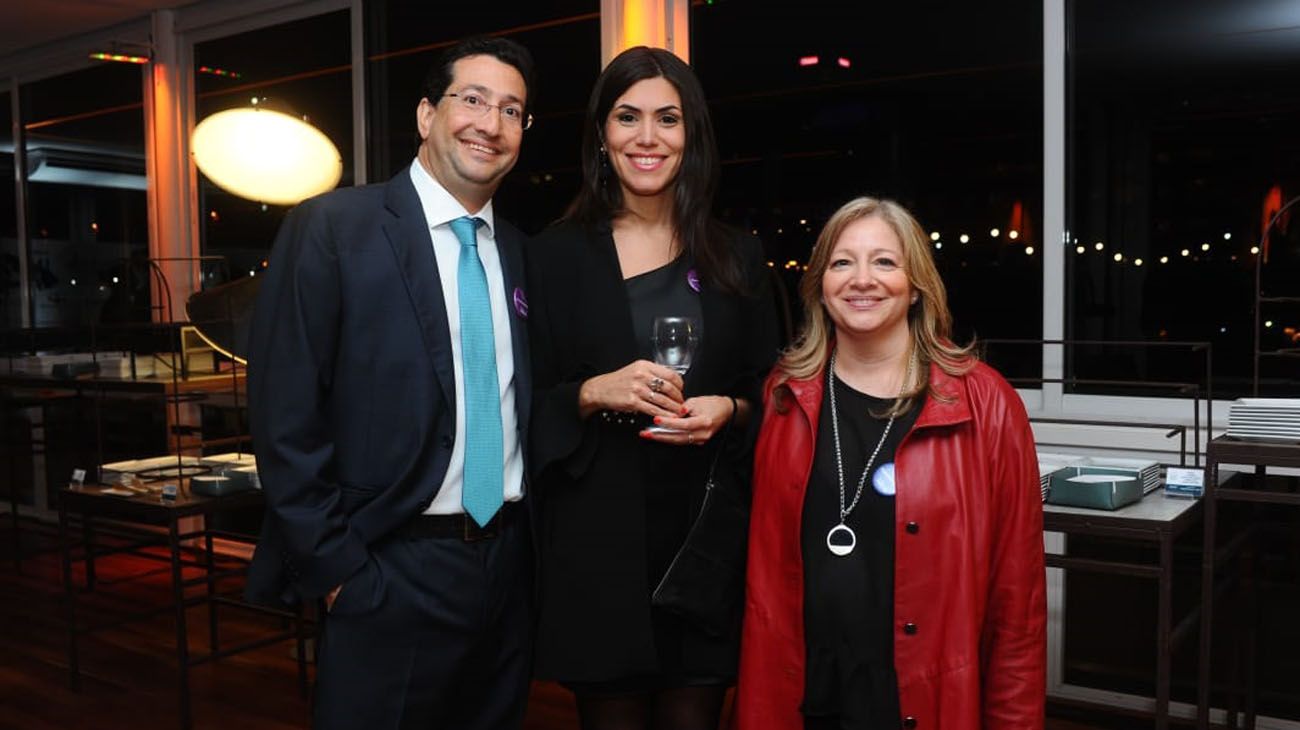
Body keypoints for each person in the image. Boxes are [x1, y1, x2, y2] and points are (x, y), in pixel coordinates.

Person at [244, 36, 536, 730]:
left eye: (513, 110)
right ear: (426, 113)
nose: (490, 124)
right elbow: (284, 413)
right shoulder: (335, 227)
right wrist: (340, 571)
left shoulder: (521, 252)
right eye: (472, 99)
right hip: (390, 566)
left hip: (507, 569)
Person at [526, 46, 780, 730]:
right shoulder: (552, 255)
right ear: (601, 136)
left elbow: (773, 390)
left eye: (667, 119)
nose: (647, 137)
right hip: (598, 543)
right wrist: (589, 392)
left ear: (691, 134)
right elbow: (519, 403)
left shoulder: (738, 253)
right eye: (627, 116)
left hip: (705, 540)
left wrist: (729, 408)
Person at [736, 197, 1046, 729]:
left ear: (917, 284)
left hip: (922, 702)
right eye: (842, 262)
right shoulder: (783, 396)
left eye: (884, 261)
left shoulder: (987, 404)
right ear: (819, 284)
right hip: (804, 696)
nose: (862, 280)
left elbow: (1016, 606)